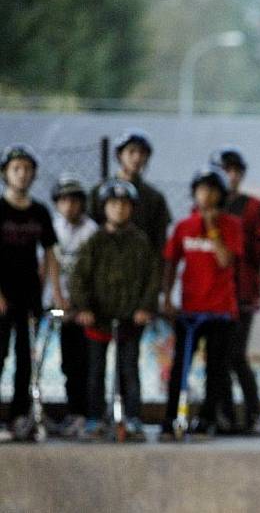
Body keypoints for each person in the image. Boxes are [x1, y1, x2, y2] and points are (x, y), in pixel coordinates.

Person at [70, 179, 160, 438]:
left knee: (129, 371)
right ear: (104, 208)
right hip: (98, 320)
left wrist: (145, 307)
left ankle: (132, 418)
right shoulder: (94, 241)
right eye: (113, 204)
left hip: (130, 321)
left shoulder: (141, 242)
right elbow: (79, 278)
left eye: (124, 204)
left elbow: (152, 279)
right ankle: (94, 418)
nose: (119, 209)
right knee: (95, 371)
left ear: (132, 208)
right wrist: (83, 308)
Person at [162, 167, 243, 437]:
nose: (206, 196)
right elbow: (171, 263)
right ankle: (171, 417)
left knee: (216, 370)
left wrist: (212, 230)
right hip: (189, 310)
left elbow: (225, 260)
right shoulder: (183, 227)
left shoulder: (231, 226)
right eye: (201, 190)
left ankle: (207, 419)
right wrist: (167, 298)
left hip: (220, 311)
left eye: (212, 190)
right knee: (180, 368)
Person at [0, 144, 66, 441]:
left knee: (27, 360)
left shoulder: (40, 211)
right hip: (3, 295)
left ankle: (18, 417)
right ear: (6, 174)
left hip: (29, 296)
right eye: (17, 169)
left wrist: (57, 292)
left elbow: (50, 253)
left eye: (27, 169)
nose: (22, 174)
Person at [211, 147, 260, 434]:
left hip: (243, 292)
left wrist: (236, 237)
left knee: (236, 355)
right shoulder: (206, 209)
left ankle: (252, 415)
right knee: (217, 357)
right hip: (212, 295)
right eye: (226, 170)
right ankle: (222, 417)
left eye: (236, 170)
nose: (232, 176)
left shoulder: (255, 208)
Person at [49, 175, 99, 436]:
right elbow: (49, 264)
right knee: (68, 363)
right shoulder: (53, 228)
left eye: (75, 200)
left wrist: (82, 306)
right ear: (57, 203)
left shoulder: (91, 231)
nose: (69, 206)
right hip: (60, 308)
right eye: (64, 200)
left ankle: (88, 414)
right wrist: (58, 299)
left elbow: (94, 273)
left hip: (86, 309)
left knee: (87, 363)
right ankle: (73, 412)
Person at [89, 129, 171, 258]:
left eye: (142, 153)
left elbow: (159, 241)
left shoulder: (154, 197)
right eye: (131, 151)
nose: (137, 157)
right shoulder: (99, 191)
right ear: (120, 155)